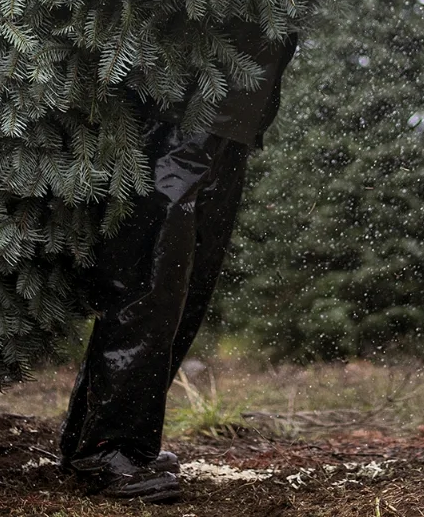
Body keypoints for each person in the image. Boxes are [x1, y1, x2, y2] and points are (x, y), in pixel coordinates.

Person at [58, 32, 295, 502]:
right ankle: (107, 446)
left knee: (190, 285)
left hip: (235, 117)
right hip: (179, 112)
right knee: (153, 278)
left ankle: (111, 437)